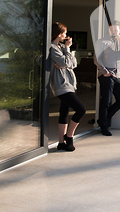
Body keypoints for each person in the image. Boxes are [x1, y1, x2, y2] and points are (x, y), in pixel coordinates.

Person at [50, 22, 86, 151]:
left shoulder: (60, 47)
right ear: (59, 34)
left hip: (69, 84)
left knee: (64, 112)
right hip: (62, 85)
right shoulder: (53, 48)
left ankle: (61, 142)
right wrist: (67, 52)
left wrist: (66, 57)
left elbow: (73, 63)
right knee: (81, 109)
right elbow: (65, 62)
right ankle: (69, 136)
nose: (66, 35)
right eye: (64, 33)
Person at [94, 20, 120, 136]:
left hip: (118, 75)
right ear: (109, 30)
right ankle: (104, 126)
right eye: (111, 30)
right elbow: (96, 59)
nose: (114, 32)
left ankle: (103, 120)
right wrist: (105, 72)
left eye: (116, 30)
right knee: (106, 101)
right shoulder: (101, 42)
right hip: (106, 75)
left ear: (119, 31)